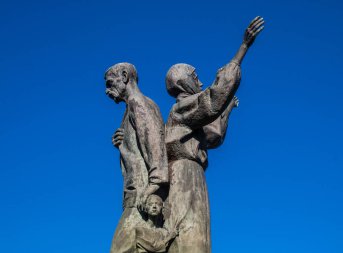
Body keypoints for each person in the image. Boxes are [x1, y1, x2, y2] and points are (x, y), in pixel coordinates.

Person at [162, 17, 265, 253]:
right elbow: (213, 99)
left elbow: (213, 136)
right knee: (188, 240)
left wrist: (226, 109)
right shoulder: (181, 108)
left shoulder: (188, 116)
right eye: (194, 75)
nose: (199, 79)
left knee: (198, 240)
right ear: (182, 82)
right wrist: (243, 49)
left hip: (193, 176)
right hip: (183, 176)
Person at [104, 62, 169, 253]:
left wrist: (152, 187)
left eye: (110, 83)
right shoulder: (130, 109)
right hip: (135, 195)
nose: (108, 91)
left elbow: (155, 147)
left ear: (124, 76)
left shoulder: (138, 103)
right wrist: (122, 144)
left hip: (142, 196)